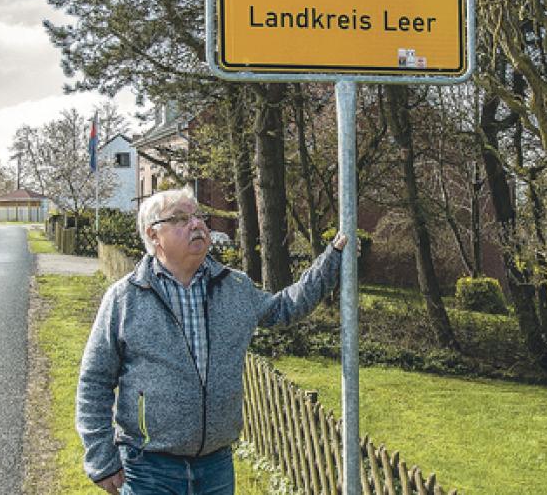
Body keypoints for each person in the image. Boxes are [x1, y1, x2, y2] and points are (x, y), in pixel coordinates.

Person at [76, 187, 347, 494]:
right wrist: (102, 458)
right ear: (154, 236)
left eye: (198, 216)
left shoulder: (234, 287)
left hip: (216, 467)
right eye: (180, 219)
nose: (196, 225)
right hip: (148, 468)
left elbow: (284, 308)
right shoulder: (125, 298)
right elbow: (94, 381)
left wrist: (332, 259)